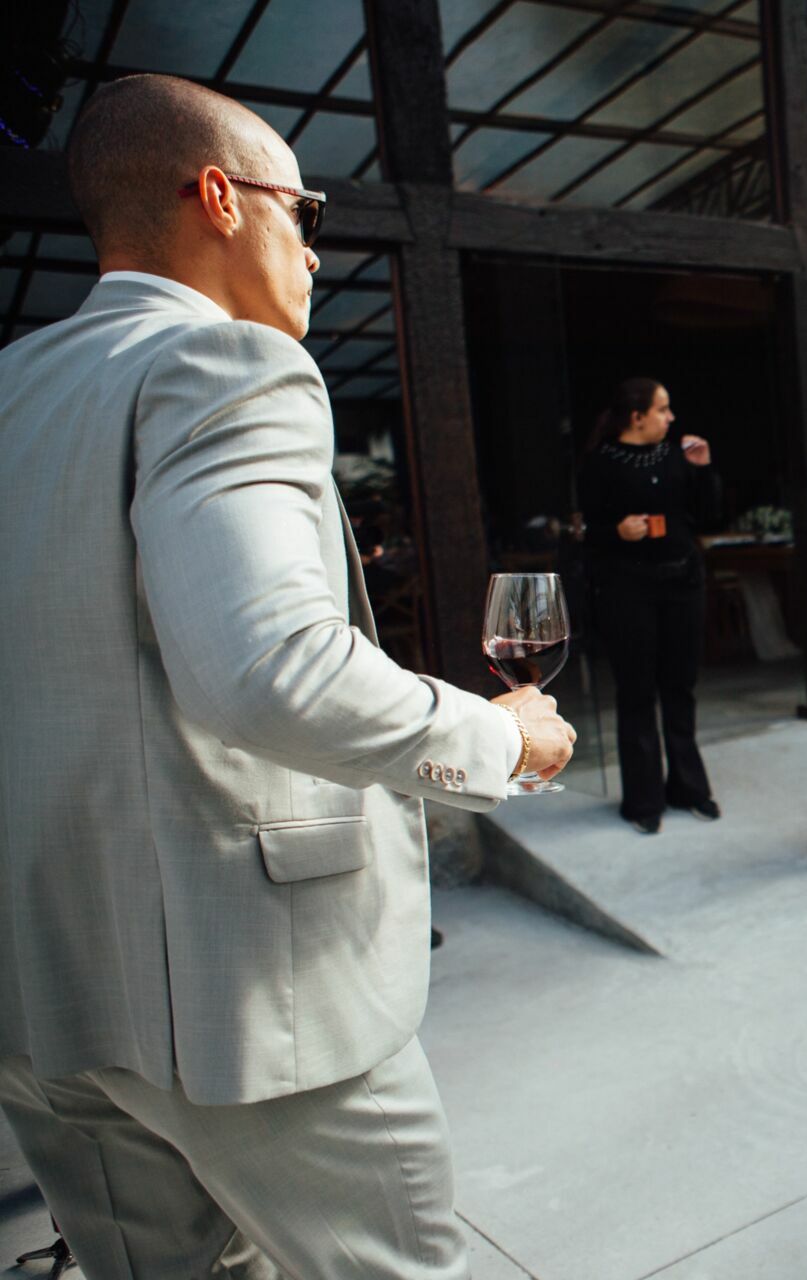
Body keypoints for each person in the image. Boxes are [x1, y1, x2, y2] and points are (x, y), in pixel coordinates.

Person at [0, 74, 576, 1276]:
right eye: (303, 211)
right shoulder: (228, 364)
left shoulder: (16, 386)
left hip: (39, 985)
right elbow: (272, 669)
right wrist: (503, 740)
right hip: (241, 990)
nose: (314, 249)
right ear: (219, 196)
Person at [579, 377, 722, 835]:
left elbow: (709, 515)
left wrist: (703, 469)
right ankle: (643, 799)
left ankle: (689, 788)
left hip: (683, 582)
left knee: (681, 687)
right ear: (637, 417)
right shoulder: (600, 463)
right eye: (663, 409)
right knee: (637, 692)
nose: (671, 417)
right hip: (627, 589)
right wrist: (617, 532)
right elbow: (587, 533)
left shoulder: (678, 455)